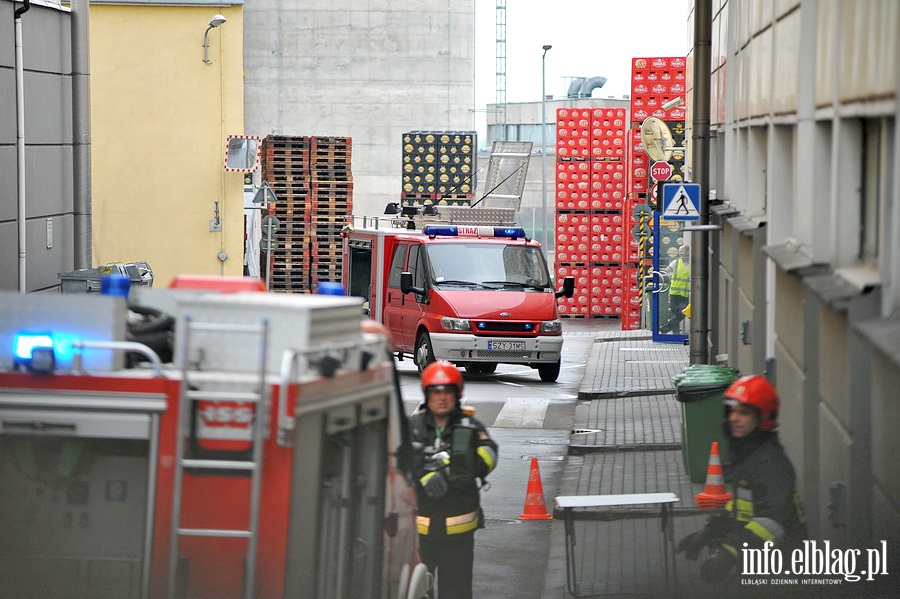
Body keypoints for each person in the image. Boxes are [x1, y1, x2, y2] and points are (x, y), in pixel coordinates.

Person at [676, 374, 807, 585]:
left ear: (763, 418)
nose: (734, 419)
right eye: (732, 411)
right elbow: (743, 505)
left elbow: (774, 521)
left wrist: (729, 553)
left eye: (743, 413)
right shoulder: (749, 454)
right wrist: (710, 531)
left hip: (781, 568)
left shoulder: (769, 463)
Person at [409, 361, 498, 599]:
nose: (442, 398)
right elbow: (398, 460)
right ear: (426, 395)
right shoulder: (412, 426)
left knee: (456, 591)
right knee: (416, 591)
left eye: (448, 392)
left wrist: (455, 468)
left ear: (457, 394)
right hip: (419, 532)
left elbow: (489, 455)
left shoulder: (470, 427)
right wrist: (425, 475)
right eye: (436, 392)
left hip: (458, 532)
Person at [661, 244, 690, 334]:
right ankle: (675, 333)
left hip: (684, 294)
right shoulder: (676, 262)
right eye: (679, 251)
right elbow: (667, 270)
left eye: (682, 251)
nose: (680, 253)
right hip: (674, 292)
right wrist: (657, 269)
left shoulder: (692, 264)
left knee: (682, 312)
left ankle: (666, 328)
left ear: (688, 252)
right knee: (674, 314)